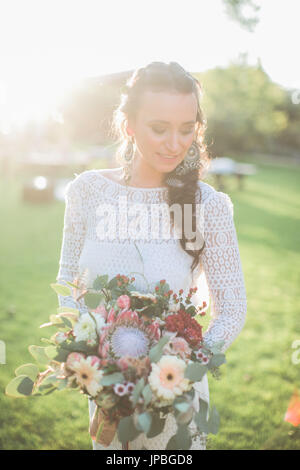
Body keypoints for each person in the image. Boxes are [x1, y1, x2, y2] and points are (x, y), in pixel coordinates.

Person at [55, 61, 247, 450]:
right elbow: (67, 282)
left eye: (186, 129)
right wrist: (93, 361)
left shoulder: (207, 206)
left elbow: (232, 308)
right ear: (128, 125)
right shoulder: (88, 192)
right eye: (159, 128)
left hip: (177, 401)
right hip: (110, 395)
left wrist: (178, 372)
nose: (175, 143)